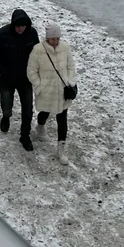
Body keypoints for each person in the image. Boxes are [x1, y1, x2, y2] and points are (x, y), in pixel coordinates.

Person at [0, 9, 39, 151]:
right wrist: (2, 72)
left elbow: (37, 54)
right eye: (18, 26)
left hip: (25, 79)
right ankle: (6, 116)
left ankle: (25, 136)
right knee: (6, 103)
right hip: (7, 79)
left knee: (28, 109)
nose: (20, 29)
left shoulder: (32, 34)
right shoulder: (2, 34)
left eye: (23, 26)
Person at [27, 21, 77, 164]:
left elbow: (70, 66)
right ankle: (40, 126)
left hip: (62, 90)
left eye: (57, 39)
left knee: (63, 119)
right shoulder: (37, 50)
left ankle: (61, 150)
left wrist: (70, 81)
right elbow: (31, 71)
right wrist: (39, 86)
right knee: (45, 112)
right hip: (47, 91)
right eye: (52, 39)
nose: (55, 42)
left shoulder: (65, 48)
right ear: (47, 38)